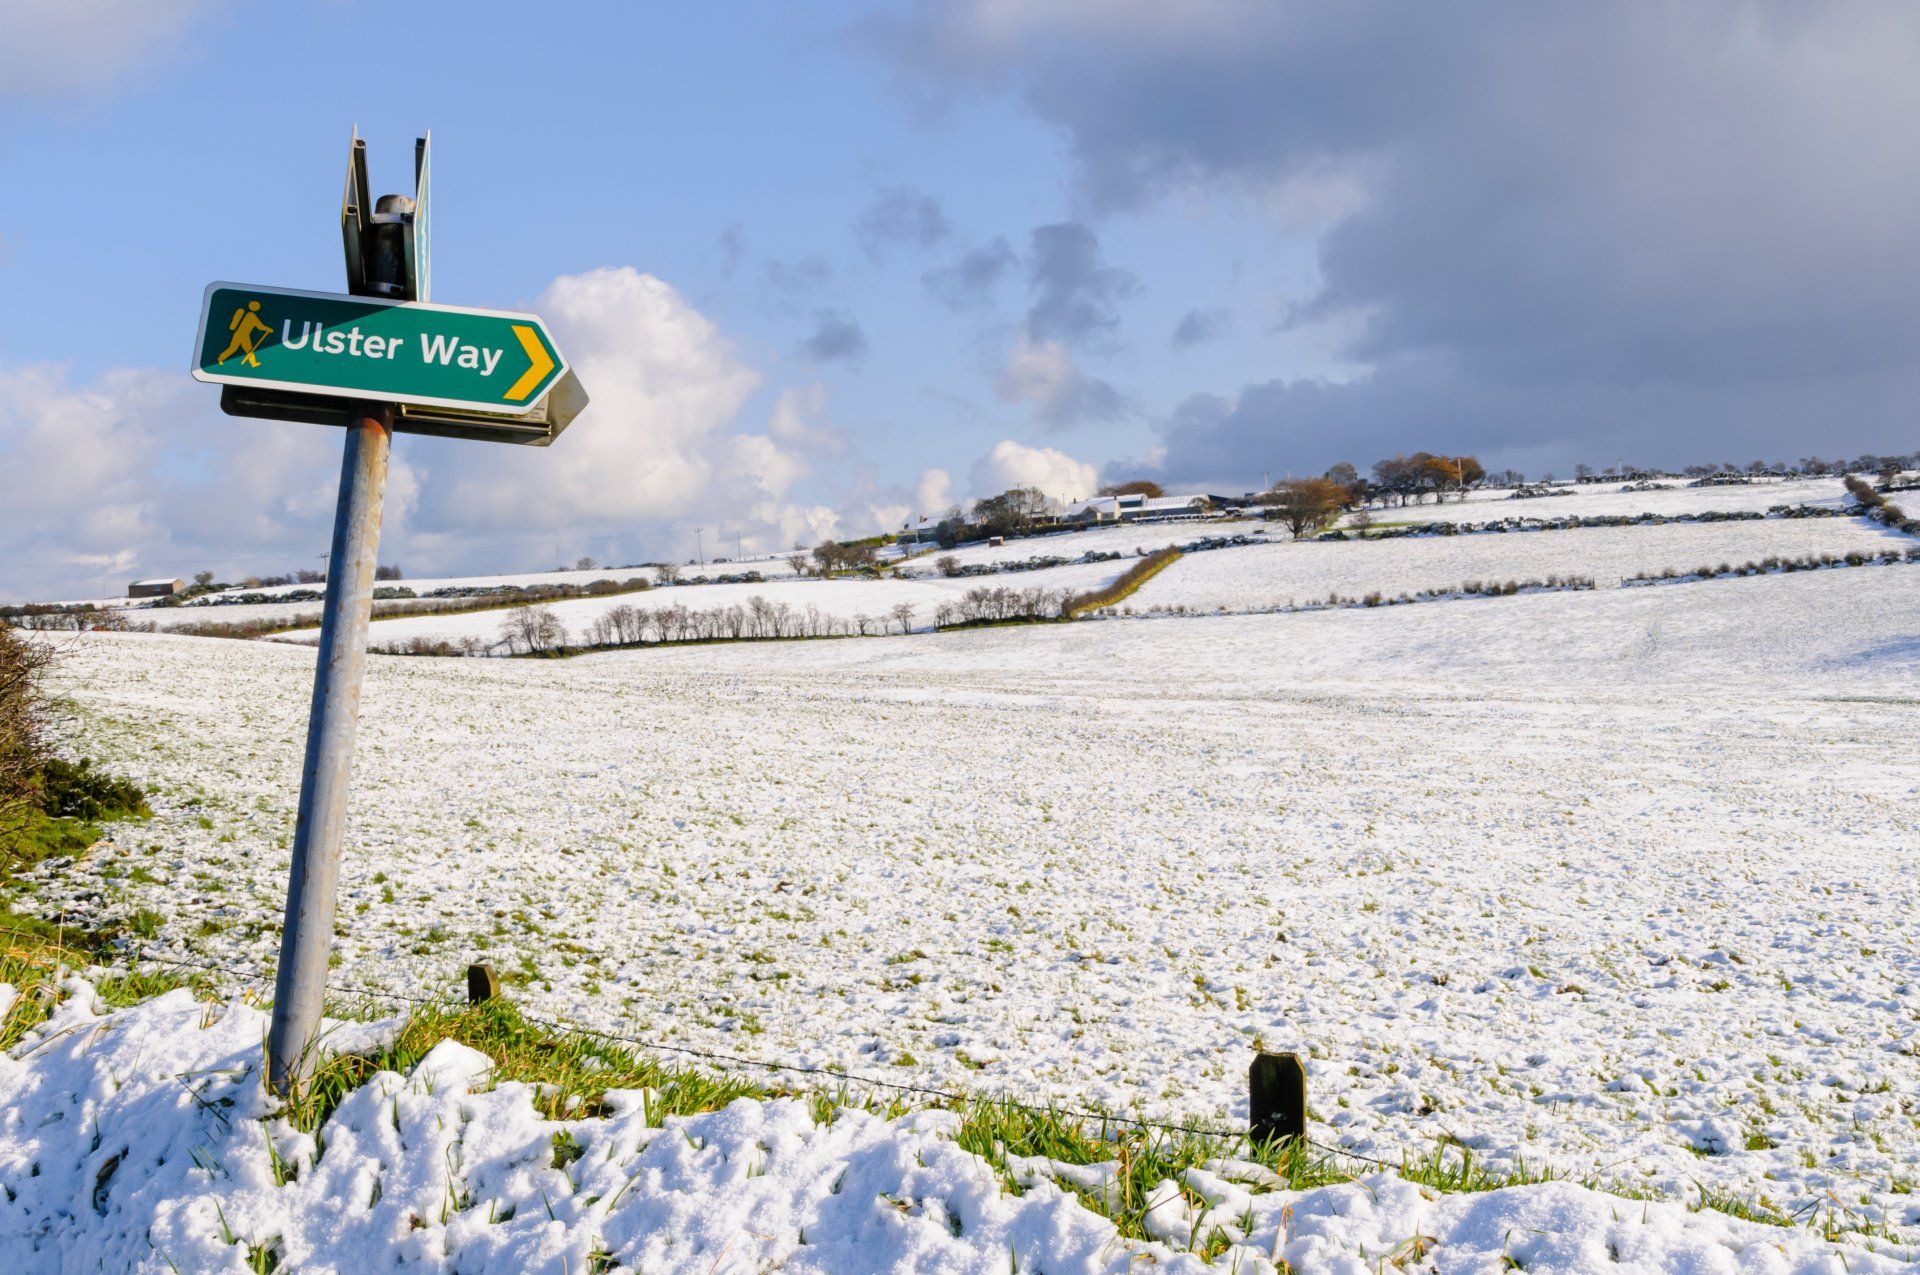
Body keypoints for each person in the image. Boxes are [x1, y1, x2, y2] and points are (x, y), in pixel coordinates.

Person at [217, 300, 271, 368]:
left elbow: (259, 326)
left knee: (247, 349)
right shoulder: (251, 315)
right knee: (234, 348)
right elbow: (260, 326)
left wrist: (267, 329)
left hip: (242, 334)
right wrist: (268, 329)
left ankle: (253, 363)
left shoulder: (249, 314)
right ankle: (221, 358)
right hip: (241, 334)